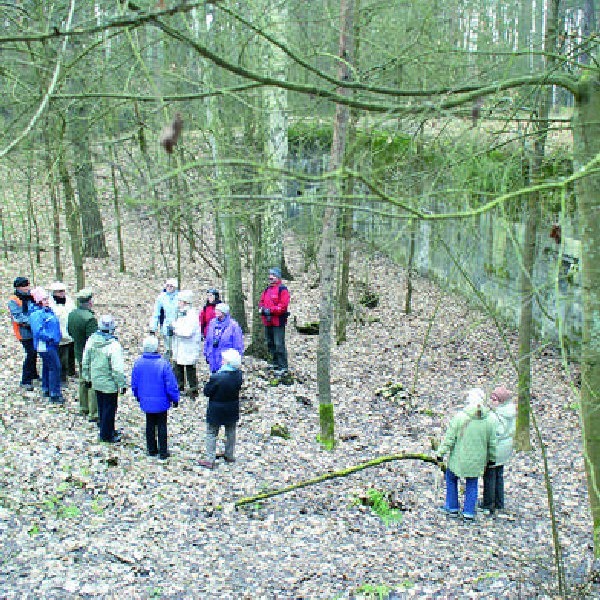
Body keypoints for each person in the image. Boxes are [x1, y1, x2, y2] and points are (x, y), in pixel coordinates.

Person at [436, 388, 497, 521]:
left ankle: (452, 508)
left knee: (451, 478)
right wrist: (492, 459)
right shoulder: (490, 419)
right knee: (472, 483)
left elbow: (449, 439)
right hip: (478, 461)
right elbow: (492, 443)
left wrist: (440, 453)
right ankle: (468, 512)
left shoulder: (460, 417)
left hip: (458, 459)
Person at [131, 336, 180, 460]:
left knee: (150, 424)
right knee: (162, 425)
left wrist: (137, 396)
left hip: (146, 400)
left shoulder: (139, 363)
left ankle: (151, 449)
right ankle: (163, 452)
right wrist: (175, 398)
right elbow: (171, 384)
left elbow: (134, 383)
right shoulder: (163, 364)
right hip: (162, 401)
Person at [82, 315, 126, 443]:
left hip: (96, 380)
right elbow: (117, 369)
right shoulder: (114, 345)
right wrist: (121, 384)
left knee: (101, 406)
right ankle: (107, 435)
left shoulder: (92, 340)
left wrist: (87, 377)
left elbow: (86, 360)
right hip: (109, 383)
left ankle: (106, 429)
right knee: (110, 409)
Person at [199, 348, 243, 469]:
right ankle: (229, 454)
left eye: (224, 359)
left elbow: (207, 392)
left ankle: (210, 459)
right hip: (232, 408)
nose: (222, 361)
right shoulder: (238, 375)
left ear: (228, 362)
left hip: (216, 409)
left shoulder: (217, 377)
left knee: (211, 433)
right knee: (231, 432)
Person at [481, 385, 516, 515]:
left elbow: (497, 433)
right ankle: (499, 502)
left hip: (497, 449)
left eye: (495, 399)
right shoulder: (509, 412)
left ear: (501, 401)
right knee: (498, 475)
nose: (491, 401)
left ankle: (488, 504)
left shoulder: (499, 415)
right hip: (505, 449)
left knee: (490, 476)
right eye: (491, 398)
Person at [67, 289, 99, 422]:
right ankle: (94, 412)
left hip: (78, 351)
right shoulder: (90, 319)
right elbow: (94, 340)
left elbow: (69, 332)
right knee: (92, 383)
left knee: (82, 380)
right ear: (89, 302)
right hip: (89, 355)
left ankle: (83, 407)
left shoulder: (72, 314)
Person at [29, 287, 63, 403]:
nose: (47, 301)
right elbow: (38, 331)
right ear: (38, 301)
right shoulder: (36, 314)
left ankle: (47, 388)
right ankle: (55, 393)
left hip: (50, 344)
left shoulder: (47, 310)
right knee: (55, 367)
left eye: (47, 299)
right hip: (46, 345)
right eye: (44, 299)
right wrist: (51, 338)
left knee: (48, 366)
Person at [8, 276, 39, 391]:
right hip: (23, 332)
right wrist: (34, 321)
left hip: (32, 329)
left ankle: (33, 374)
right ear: (18, 287)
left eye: (27, 285)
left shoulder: (30, 296)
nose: (27, 288)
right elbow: (18, 317)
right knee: (30, 353)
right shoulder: (13, 300)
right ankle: (25, 380)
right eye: (24, 286)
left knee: (34, 351)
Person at [258, 267, 290, 375]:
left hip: (278, 321)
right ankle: (275, 363)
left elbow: (283, 306)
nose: (271, 277)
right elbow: (262, 302)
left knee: (279, 343)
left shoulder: (282, 289)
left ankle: (283, 366)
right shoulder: (267, 289)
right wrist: (262, 309)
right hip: (268, 321)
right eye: (270, 275)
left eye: (273, 275)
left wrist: (271, 310)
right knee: (270, 343)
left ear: (278, 277)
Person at [171, 290, 201, 397]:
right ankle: (179, 387)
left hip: (188, 346)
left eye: (180, 301)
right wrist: (172, 327)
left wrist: (175, 330)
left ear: (185, 302)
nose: (178, 303)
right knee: (178, 366)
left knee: (189, 368)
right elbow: (178, 324)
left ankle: (193, 389)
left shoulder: (192, 314)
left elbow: (188, 332)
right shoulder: (181, 313)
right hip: (180, 346)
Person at [203, 303, 244, 374]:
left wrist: (235, 359)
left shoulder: (233, 326)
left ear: (224, 312)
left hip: (226, 361)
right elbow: (208, 340)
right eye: (216, 310)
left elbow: (238, 344)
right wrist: (206, 353)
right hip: (213, 357)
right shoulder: (212, 323)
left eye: (218, 310)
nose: (215, 312)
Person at [48, 282, 76, 382]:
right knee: (62, 357)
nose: (62, 294)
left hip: (70, 332)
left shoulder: (69, 301)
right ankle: (62, 377)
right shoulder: (50, 304)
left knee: (71, 354)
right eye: (59, 292)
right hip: (59, 334)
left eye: (63, 291)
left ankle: (71, 372)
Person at [149, 278, 180, 360]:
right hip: (166, 326)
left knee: (177, 349)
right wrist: (153, 328)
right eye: (168, 286)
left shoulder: (179, 297)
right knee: (168, 349)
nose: (169, 288)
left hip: (178, 327)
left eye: (171, 286)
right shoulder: (161, 297)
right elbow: (156, 313)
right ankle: (167, 366)